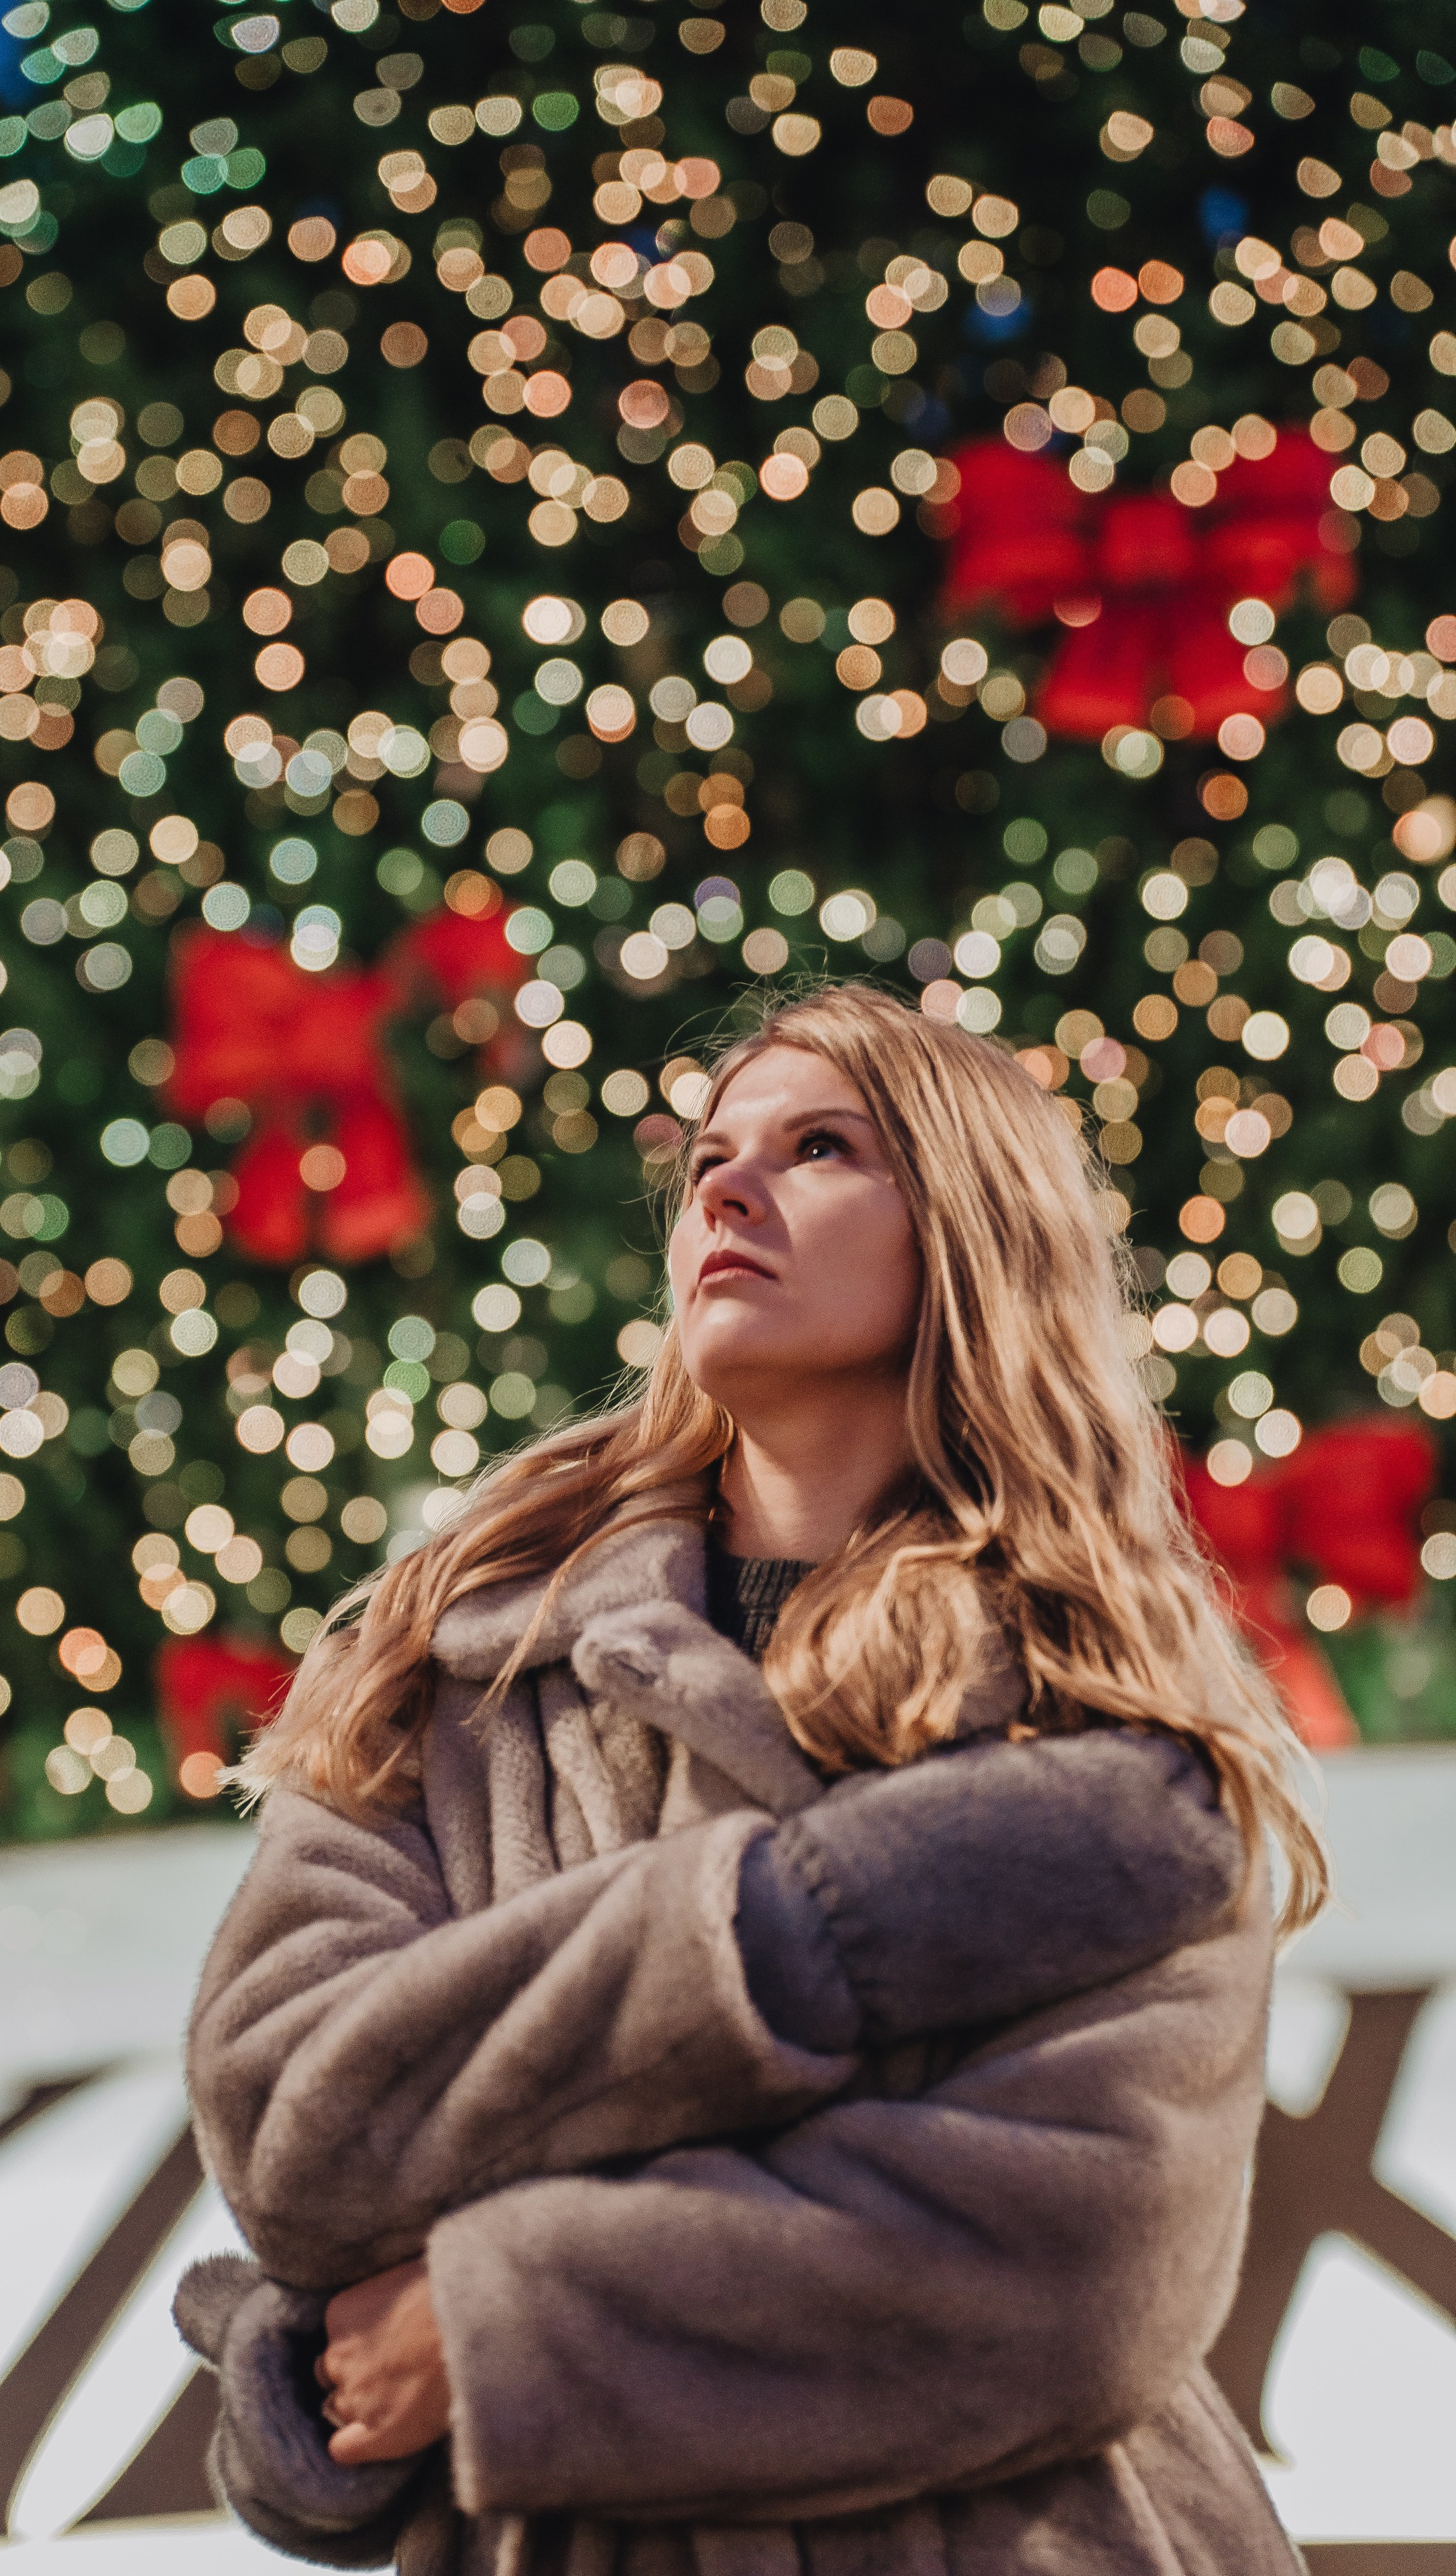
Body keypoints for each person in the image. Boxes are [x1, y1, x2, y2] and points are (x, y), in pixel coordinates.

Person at [178, 982, 1325, 2575]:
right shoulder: (453, 1656)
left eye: (819, 1149)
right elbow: (293, 2122)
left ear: (969, 1227)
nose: (723, 1191)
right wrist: (790, 1935)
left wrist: (497, 2319)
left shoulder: (1100, 1696)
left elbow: (1074, 2268)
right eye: (711, 1157)